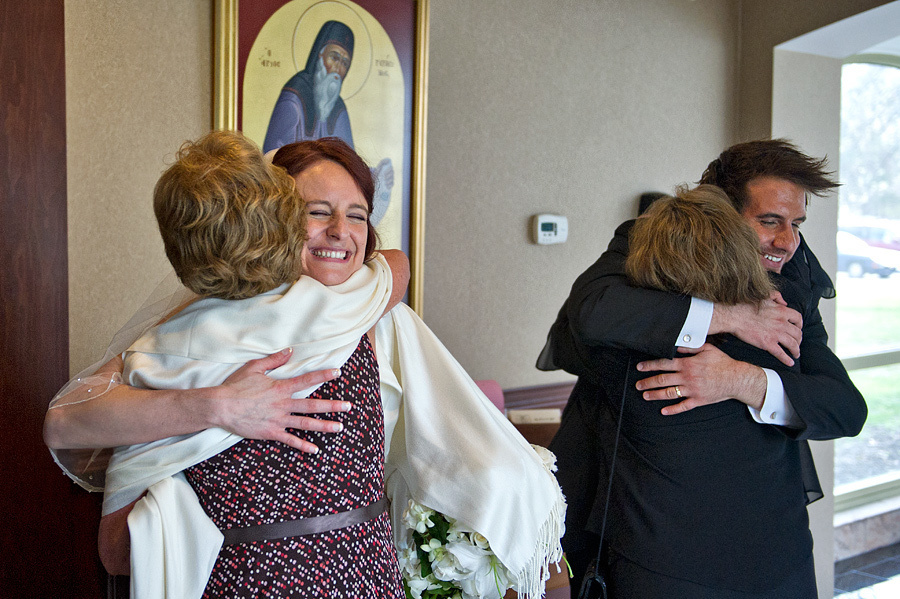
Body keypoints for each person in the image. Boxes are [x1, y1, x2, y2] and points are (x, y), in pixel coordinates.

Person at [48, 134, 564, 598]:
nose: (340, 231)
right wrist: (219, 405)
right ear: (271, 223)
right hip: (246, 581)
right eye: (316, 211)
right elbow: (81, 457)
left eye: (357, 215)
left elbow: (394, 266)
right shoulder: (187, 340)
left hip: (366, 576)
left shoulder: (368, 314)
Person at [538, 140, 867, 598]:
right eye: (770, 221)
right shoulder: (643, 268)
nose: (788, 242)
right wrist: (731, 317)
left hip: (781, 552)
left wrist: (742, 380)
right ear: (721, 211)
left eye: (796, 224)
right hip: (665, 560)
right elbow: (590, 313)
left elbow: (846, 409)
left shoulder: (790, 294)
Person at [262, 20, 394, 226]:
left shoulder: (338, 107)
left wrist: (377, 177)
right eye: (334, 57)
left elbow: (347, 166)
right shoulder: (294, 97)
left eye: (344, 63)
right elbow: (272, 166)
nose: (338, 68)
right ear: (319, 55)